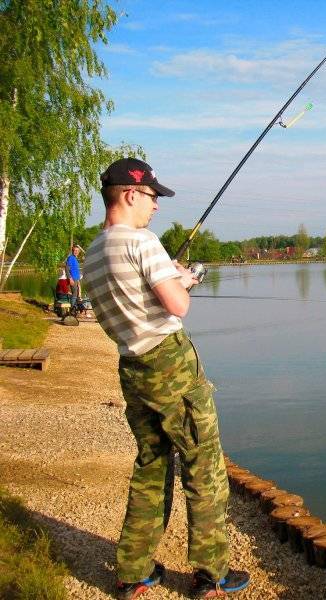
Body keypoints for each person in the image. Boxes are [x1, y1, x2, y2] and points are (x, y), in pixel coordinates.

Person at [83, 158, 250, 599]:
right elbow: (177, 306)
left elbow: (130, 304)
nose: (156, 207)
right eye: (153, 197)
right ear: (130, 193)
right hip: (170, 365)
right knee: (205, 466)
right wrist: (187, 280)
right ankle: (211, 574)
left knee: (151, 466)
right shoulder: (143, 242)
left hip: (131, 368)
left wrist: (167, 276)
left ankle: (133, 571)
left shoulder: (94, 250)